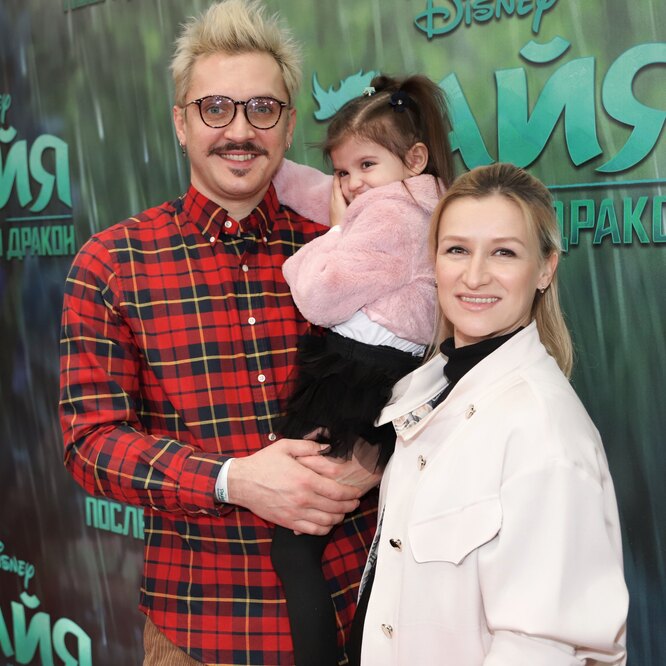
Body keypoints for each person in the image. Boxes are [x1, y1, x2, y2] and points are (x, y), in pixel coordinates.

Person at [58, 1, 380, 664]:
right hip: (198, 632)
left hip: (361, 619)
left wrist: (374, 457)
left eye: (262, 109)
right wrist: (232, 479)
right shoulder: (112, 263)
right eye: (215, 109)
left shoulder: (344, 252)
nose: (240, 131)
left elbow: (421, 385)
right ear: (180, 123)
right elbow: (90, 444)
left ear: (288, 126)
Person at [350, 163, 629, 665]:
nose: (474, 275)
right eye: (457, 249)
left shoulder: (543, 431)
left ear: (545, 269)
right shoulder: (427, 393)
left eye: (504, 252)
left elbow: (541, 649)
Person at [268, 74, 453, 665]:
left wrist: (326, 239)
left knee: (293, 547)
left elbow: (318, 297)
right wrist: (291, 178)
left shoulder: (390, 216)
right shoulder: (424, 201)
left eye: (365, 166)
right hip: (390, 381)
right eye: (343, 171)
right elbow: (320, 190)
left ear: (413, 158)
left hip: (354, 379)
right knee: (376, 539)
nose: (351, 184)